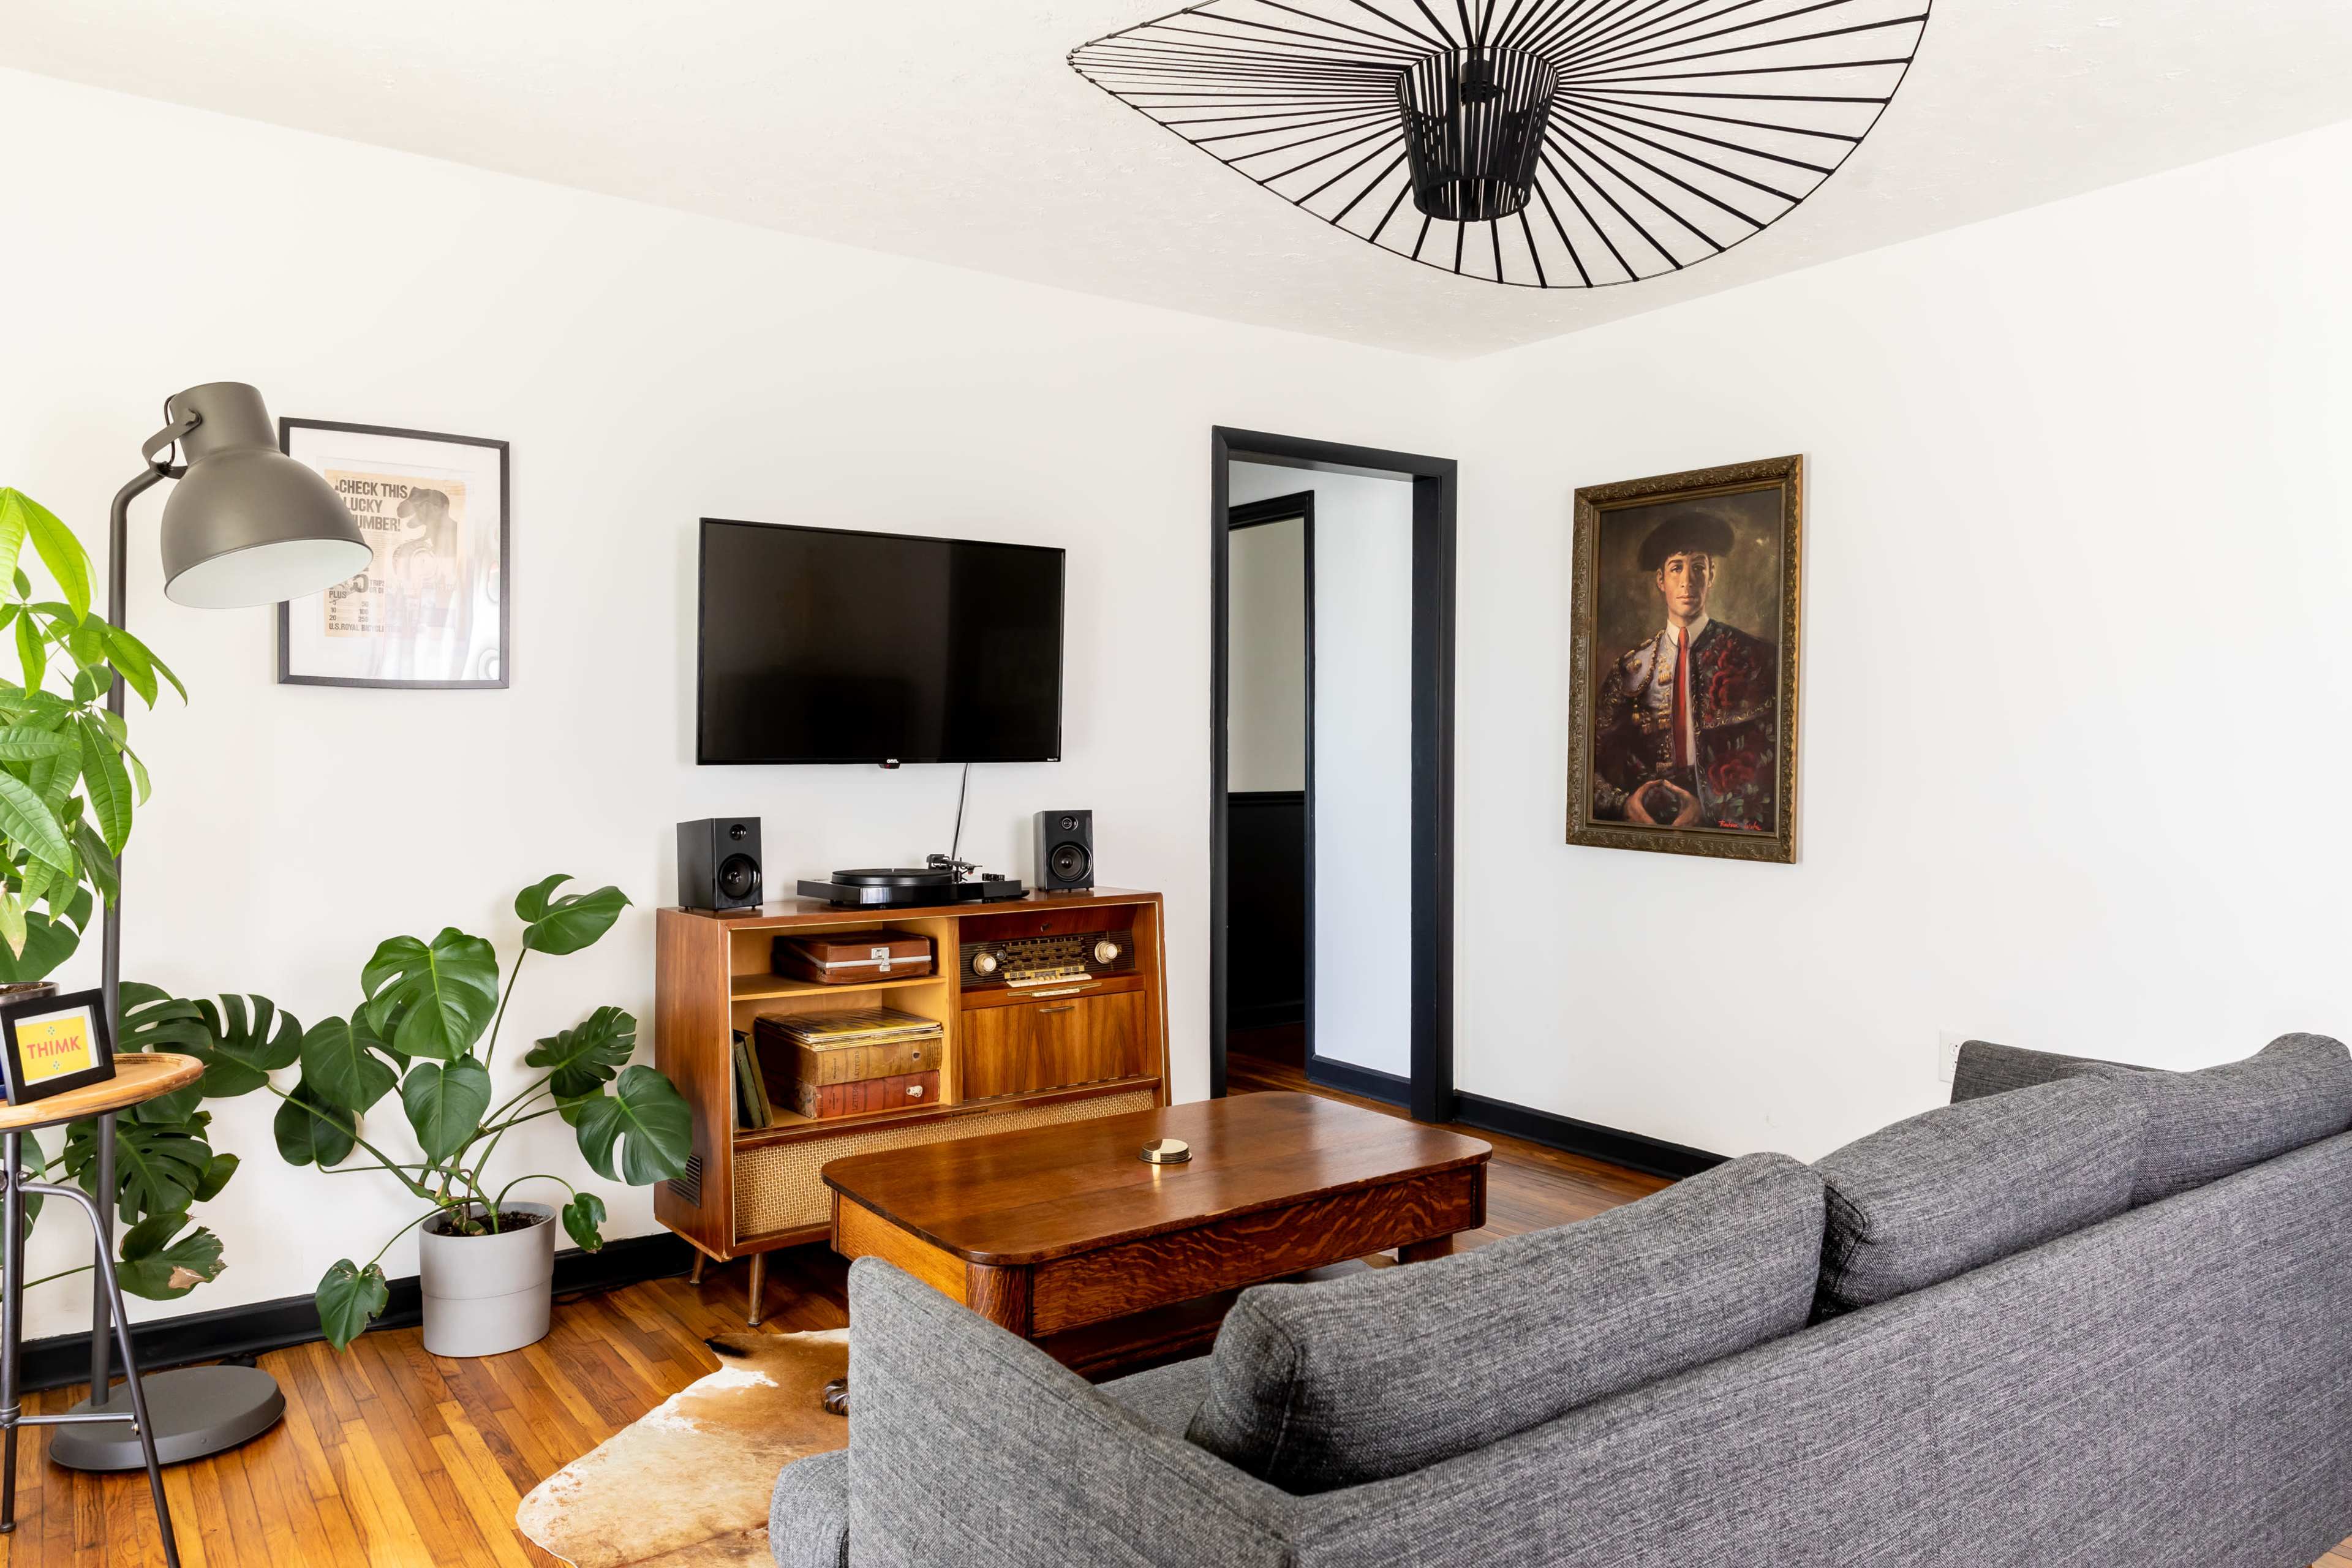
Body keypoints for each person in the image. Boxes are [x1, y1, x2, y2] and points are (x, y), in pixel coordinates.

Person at [1589, 510, 1777, 832]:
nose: (1688, 581)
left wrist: (1709, 810)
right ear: (1661, 580)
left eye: (1699, 568)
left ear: (1712, 575)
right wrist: (1624, 805)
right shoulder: (1631, 669)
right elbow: (1586, 761)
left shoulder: (1757, 657)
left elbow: (1778, 761)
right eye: (1677, 568)